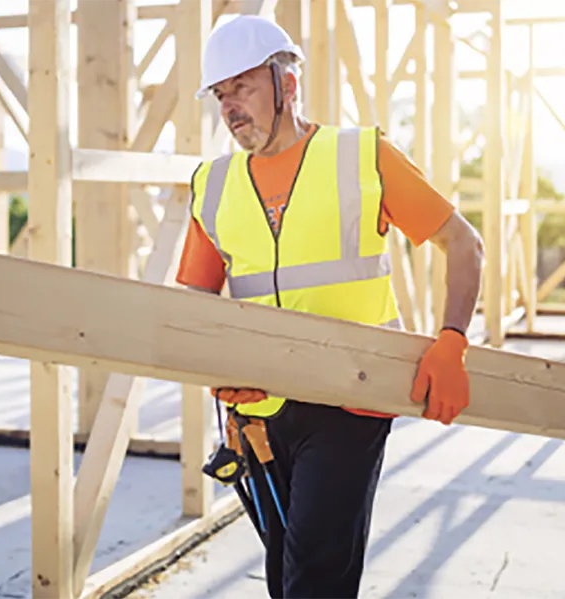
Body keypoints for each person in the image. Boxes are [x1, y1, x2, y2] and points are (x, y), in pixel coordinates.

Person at [175, 14, 484, 599]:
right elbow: (195, 302)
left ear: (286, 83)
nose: (230, 107)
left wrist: (452, 340)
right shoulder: (212, 184)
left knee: (315, 575)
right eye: (221, 95)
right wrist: (214, 372)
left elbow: (463, 243)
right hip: (258, 414)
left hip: (350, 403)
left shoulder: (362, 155)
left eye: (242, 87)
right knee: (284, 571)